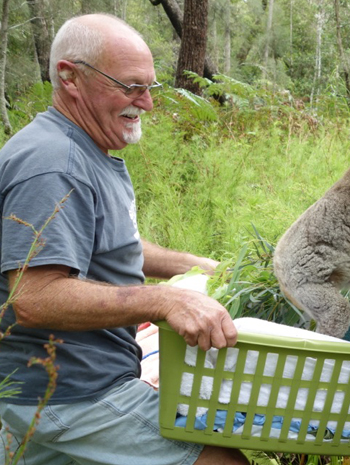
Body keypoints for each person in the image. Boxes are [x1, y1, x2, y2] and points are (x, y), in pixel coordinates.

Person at [0, 13, 249, 465]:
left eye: (149, 88)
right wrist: (165, 302)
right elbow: (33, 297)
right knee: (221, 460)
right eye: (131, 87)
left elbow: (102, 243)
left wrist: (190, 264)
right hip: (69, 391)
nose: (147, 104)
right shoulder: (55, 162)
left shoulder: (86, 147)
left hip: (55, 383)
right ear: (70, 77)